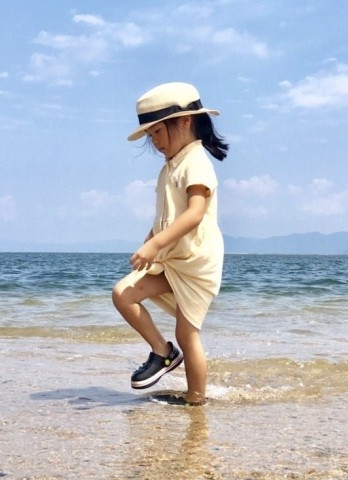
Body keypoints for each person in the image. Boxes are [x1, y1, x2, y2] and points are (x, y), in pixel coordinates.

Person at [112, 82, 228, 406]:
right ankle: (162, 353)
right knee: (123, 293)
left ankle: (196, 401)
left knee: (187, 335)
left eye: (158, 133)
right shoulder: (170, 168)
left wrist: (156, 244)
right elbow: (165, 217)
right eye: (151, 137)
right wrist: (149, 243)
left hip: (195, 264)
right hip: (174, 258)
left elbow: (194, 214)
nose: (156, 142)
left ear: (184, 122)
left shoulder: (197, 162)